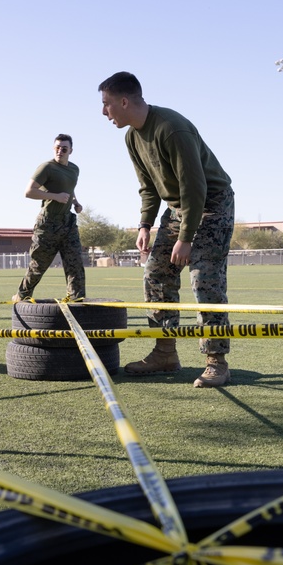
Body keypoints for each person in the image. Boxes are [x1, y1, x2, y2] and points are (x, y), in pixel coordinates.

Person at [99, 72, 235, 388]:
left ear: (123, 101)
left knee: (205, 280)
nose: (104, 112)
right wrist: (145, 224)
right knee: (156, 273)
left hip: (211, 205)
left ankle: (217, 362)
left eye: (106, 105)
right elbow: (148, 187)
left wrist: (186, 238)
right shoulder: (132, 137)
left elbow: (195, 186)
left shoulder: (172, 129)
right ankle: (165, 352)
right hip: (176, 208)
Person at [12, 134, 85, 303]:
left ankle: (78, 300)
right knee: (39, 265)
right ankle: (22, 296)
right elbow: (29, 191)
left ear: (70, 151)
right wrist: (55, 196)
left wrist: (76, 202)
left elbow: (70, 188)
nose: (60, 151)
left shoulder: (74, 169)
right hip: (48, 223)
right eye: (57, 148)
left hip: (68, 222)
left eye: (64, 148)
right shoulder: (46, 168)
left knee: (75, 264)